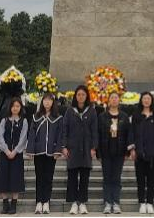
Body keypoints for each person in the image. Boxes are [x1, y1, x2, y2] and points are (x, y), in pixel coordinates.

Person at [61, 85, 98, 215]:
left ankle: (82, 202)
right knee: (72, 177)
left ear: (86, 96)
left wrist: (94, 147)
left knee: (84, 177)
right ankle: (73, 203)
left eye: (83, 94)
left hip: (87, 149)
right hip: (72, 149)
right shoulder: (70, 111)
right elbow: (64, 129)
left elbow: (95, 130)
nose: (81, 96)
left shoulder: (92, 111)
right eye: (78, 94)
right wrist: (64, 146)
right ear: (75, 97)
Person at [27, 92, 63, 214]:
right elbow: (31, 135)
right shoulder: (36, 117)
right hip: (38, 152)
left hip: (51, 152)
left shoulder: (58, 118)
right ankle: (38, 202)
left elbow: (60, 136)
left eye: (49, 100)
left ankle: (46, 202)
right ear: (42, 102)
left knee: (48, 178)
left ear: (53, 102)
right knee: (39, 177)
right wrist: (30, 150)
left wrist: (58, 150)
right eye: (45, 100)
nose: (47, 102)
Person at [96, 91, 132, 214]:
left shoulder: (124, 117)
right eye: (112, 97)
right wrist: (98, 153)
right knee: (107, 178)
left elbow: (129, 135)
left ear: (119, 100)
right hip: (106, 152)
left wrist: (128, 152)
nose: (114, 100)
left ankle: (116, 202)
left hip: (119, 152)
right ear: (108, 100)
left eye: (116, 98)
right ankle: (107, 202)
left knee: (116, 178)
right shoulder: (102, 117)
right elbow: (98, 135)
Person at [0, 96, 28, 215]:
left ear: (20, 108)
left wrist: (15, 151)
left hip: (17, 155)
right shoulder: (4, 120)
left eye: (17, 106)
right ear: (10, 107)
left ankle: (14, 203)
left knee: (15, 179)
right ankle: (5, 203)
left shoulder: (24, 121)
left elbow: (23, 139)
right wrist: (7, 151)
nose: (15, 108)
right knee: (2, 177)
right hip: (5, 154)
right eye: (13, 106)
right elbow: (0, 137)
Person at [131, 91, 154, 214]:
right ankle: (142, 203)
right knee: (140, 180)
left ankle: (150, 202)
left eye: (148, 98)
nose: (146, 101)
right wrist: (132, 149)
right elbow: (132, 133)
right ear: (141, 100)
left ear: (151, 100)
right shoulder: (136, 116)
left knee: (151, 180)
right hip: (139, 153)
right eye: (144, 98)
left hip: (153, 153)